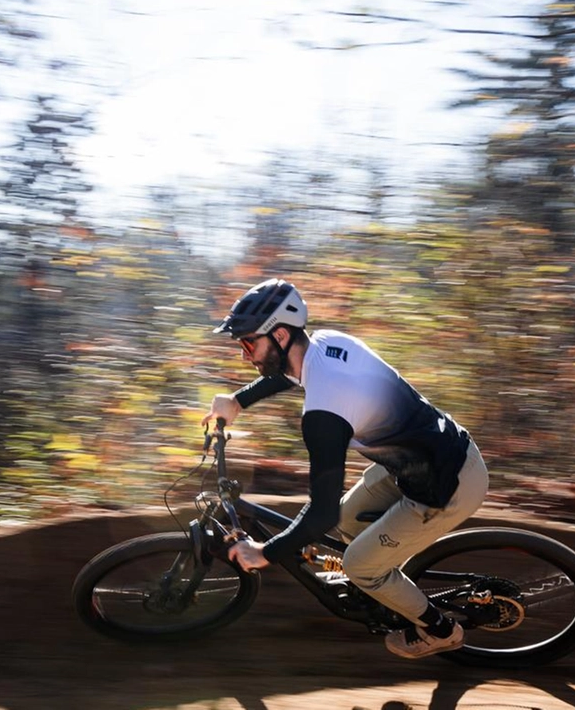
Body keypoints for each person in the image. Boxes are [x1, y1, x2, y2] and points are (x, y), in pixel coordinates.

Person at [201, 278, 490, 659]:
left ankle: (439, 629)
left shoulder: (323, 415)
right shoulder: (323, 344)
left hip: (447, 485)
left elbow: (319, 512)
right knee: (347, 520)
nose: (244, 354)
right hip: (425, 456)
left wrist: (265, 552)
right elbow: (289, 375)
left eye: (248, 342)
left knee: (358, 564)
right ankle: (385, 577)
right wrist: (238, 400)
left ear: (282, 335)